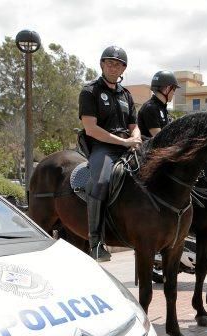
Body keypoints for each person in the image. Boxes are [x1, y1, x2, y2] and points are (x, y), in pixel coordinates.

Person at [79, 46, 141, 262]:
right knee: (102, 180)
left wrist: (136, 138)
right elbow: (91, 128)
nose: (114, 67)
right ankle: (96, 243)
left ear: (124, 68)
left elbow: (134, 125)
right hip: (103, 147)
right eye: (110, 63)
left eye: (118, 64)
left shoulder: (126, 95)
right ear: (102, 65)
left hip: (127, 145)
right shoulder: (90, 91)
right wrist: (123, 141)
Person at [137, 71, 180, 138]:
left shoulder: (162, 108)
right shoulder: (151, 108)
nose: (174, 93)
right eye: (174, 89)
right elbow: (159, 138)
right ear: (167, 89)